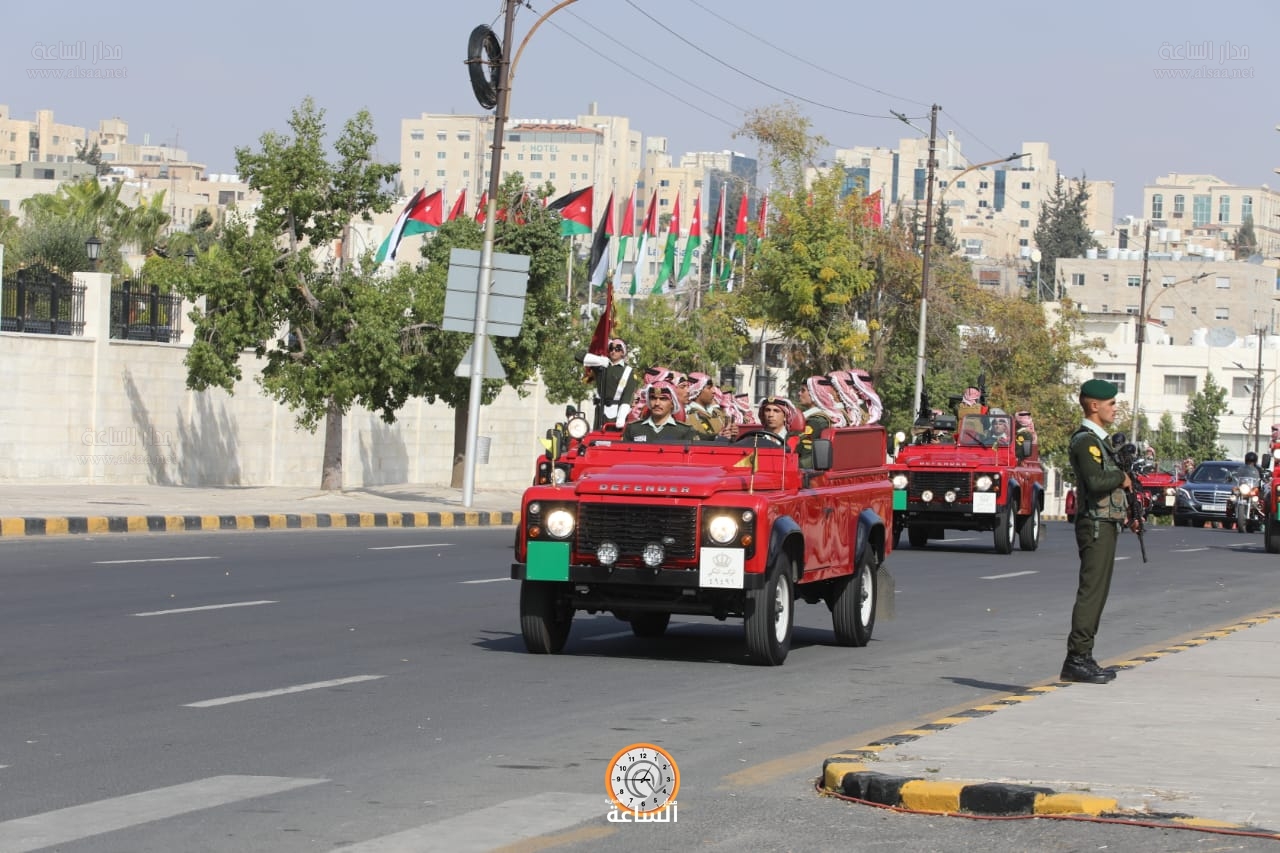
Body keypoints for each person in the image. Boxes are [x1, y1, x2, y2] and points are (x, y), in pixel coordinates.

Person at [1063, 378, 1138, 685]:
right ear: (1094, 406)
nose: (1115, 408)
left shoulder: (1100, 440)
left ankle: (1084, 656)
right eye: (1111, 404)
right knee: (1092, 592)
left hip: (1104, 522)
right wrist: (1121, 477)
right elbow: (1095, 481)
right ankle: (1077, 658)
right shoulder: (1085, 442)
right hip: (1094, 524)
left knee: (1099, 592)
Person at [581, 338, 637, 430]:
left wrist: (622, 416)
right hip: (601, 411)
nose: (613, 351)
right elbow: (578, 356)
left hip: (617, 412)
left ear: (623, 352)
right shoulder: (601, 366)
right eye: (611, 348)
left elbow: (627, 396)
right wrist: (597, 359)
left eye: (617, 349)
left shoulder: (628, 371)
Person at [620, 382, 697, 443]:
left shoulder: (685, 431)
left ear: (673, 403)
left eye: (663, 399)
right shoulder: (633, 428)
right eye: (653, 398)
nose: (657, 403)